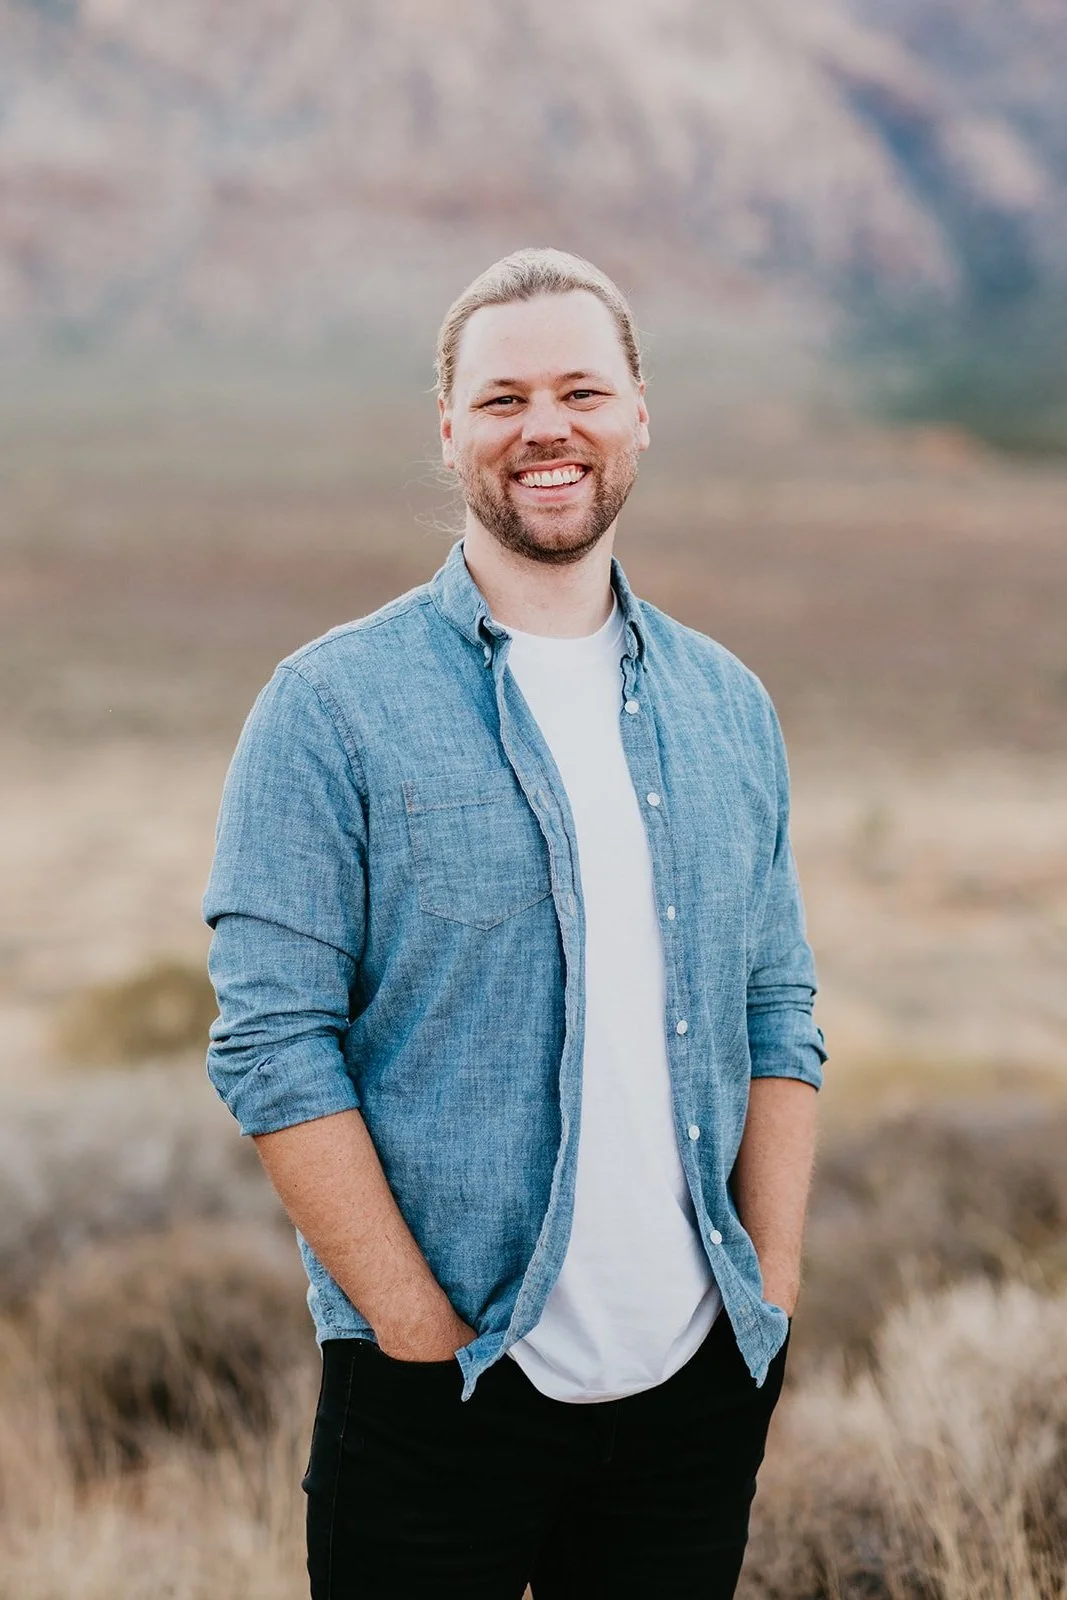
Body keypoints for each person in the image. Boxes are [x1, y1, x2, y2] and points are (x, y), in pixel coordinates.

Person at [203, 246, 827, 1600]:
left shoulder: (728, 706)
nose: (544, 427)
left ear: (638, 414)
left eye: (579, 390)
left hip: (690, 1389)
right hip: (444, 1391)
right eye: (500, 399)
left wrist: (763, 1289)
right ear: (446, 431)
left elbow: (778, 1009)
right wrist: (415, 1332)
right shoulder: (330, 709)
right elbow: (271, 1044)